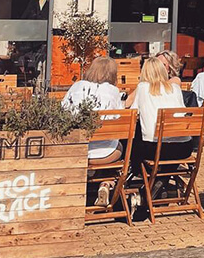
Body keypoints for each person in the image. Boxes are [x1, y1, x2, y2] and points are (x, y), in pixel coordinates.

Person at [61, 57, 124, 206]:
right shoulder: (113, 91)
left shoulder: (77, 86)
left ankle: (77, 190)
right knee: (121, 145)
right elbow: (119, 117)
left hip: (77, 151)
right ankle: (106, 183)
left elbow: (63, 110)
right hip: (105, 155)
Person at [130, 58, 193, 172]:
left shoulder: (143, 88)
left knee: (131, 141)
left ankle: (144, 176)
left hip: (156, 148)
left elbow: (133, 114)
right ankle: (161, 180)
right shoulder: (175, 88)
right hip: (183, 147)